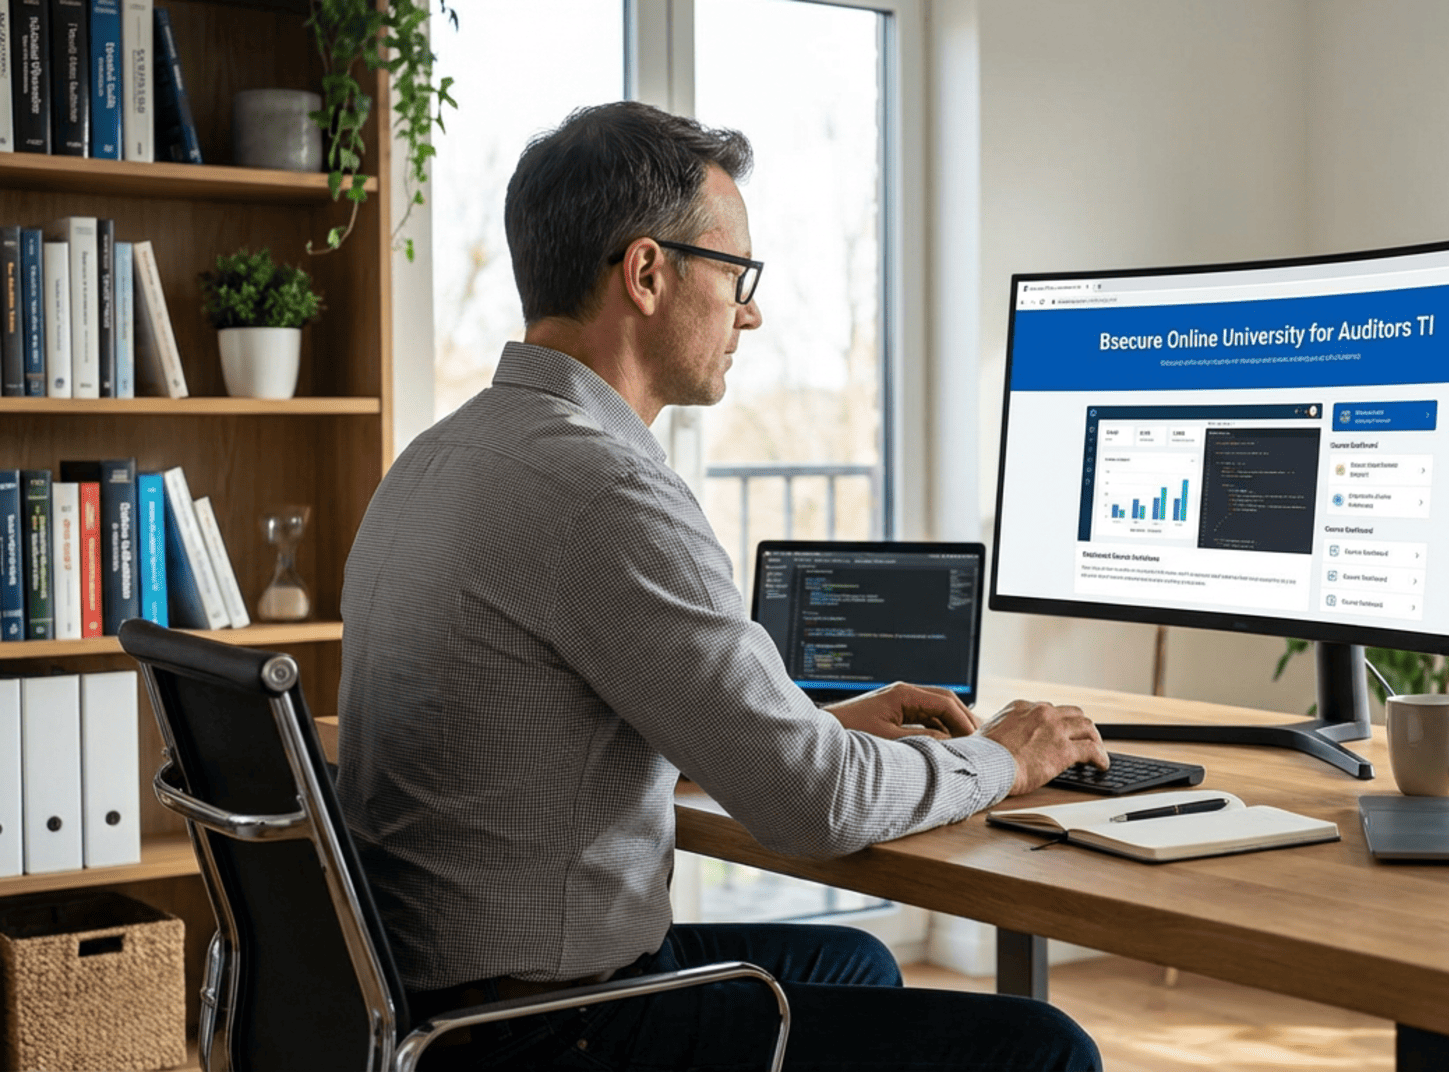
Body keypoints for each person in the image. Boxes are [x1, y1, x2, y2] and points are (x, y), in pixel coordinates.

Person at [336, 100, 1109, 1072]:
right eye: (736, 274)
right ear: (648, 273)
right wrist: (1002, 757)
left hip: (431, 1001)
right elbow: (813, 806)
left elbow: (532, 739)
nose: (750, 309)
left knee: (856, 963)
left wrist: (801, 728)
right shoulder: (607, 489)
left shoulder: (438, 459)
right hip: (552, 1030)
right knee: (1043, 1049)